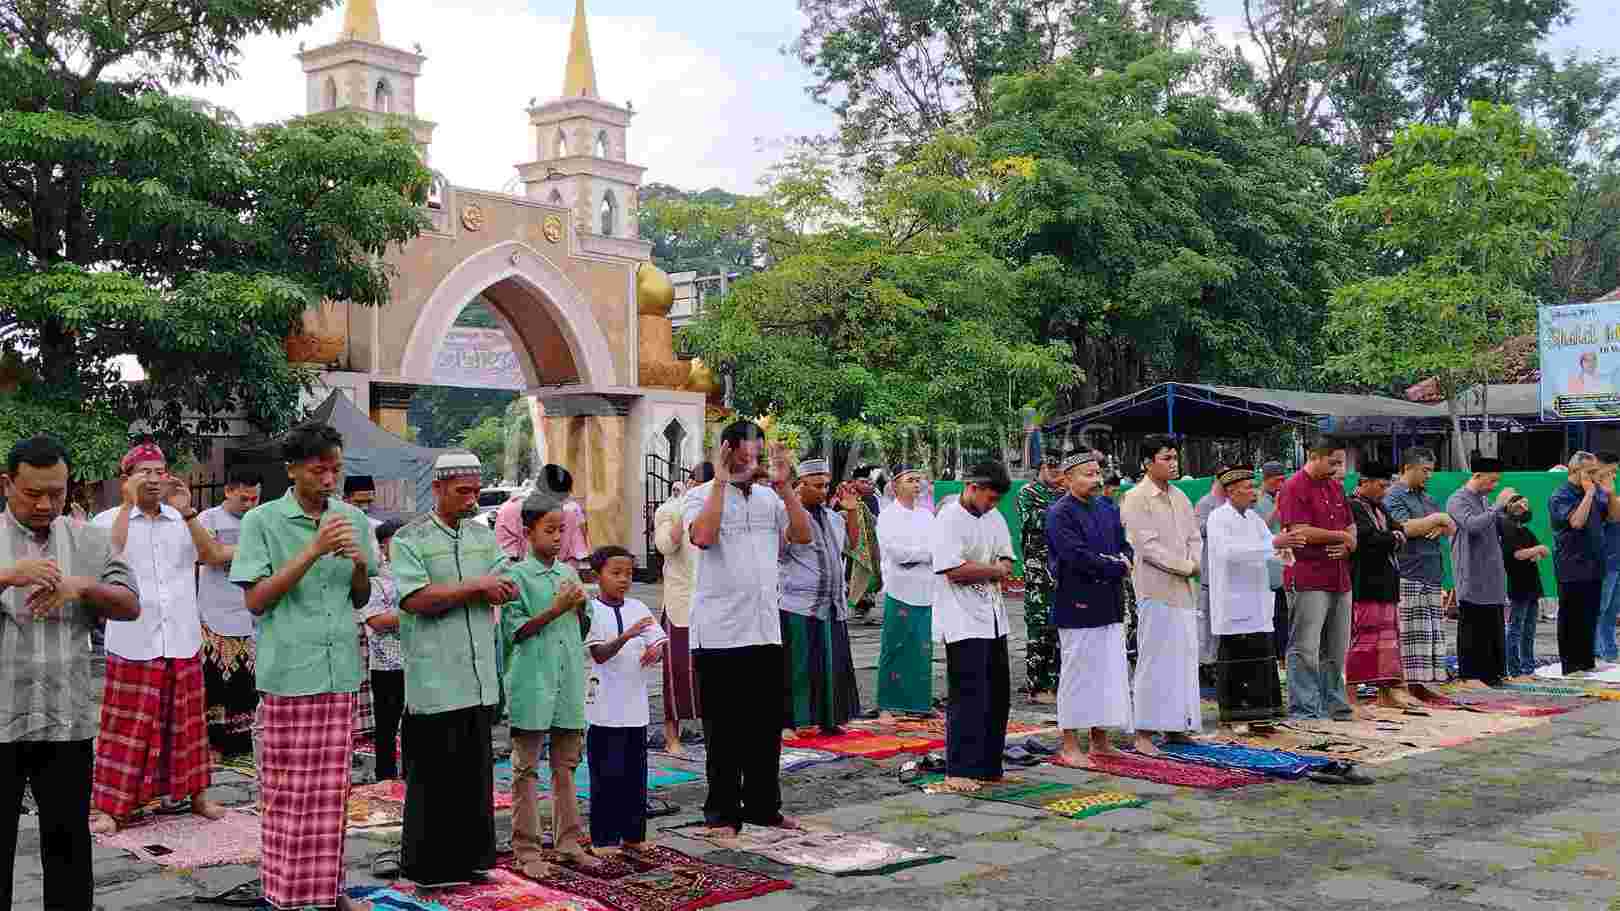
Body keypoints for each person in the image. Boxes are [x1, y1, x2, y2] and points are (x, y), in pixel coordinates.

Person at [231, 422, 378, 911]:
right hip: (290, 672)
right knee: (287, 795)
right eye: (319, 470)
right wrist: (313, 550)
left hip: (341, 671)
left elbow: (360, 598)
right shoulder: (262, 522)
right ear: (292, 470)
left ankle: (331, 891)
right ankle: (286, 895)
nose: (329, 479)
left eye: (336, 469)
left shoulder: (352, 519)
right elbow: (256, 600)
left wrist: (359, 565)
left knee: (333, 796)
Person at [0, 435, 139, 911]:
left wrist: (81, 586)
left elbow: (130, 605)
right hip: (1, 717)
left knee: (69, 847)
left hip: (66, 719)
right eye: (32, 493)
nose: (45, 504)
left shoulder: (88, 540)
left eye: (56, 492)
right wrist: (9, 575)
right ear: (6, 484)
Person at [90, 442, 231, 834]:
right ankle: (112, 807)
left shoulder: (181, 519)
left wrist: (188, 512)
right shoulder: (106, 520)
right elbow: (109, 556)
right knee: (127, 729)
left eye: (160, 471)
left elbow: (212, 556)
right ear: (126, 479)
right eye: (144, 472)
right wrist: (127, 504)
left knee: (188, 726)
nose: (154, 479)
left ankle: (197, 795)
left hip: (182, 635)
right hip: (133, 639)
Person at [393, 451, 516, 886]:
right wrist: (478, 586)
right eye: (463, 491)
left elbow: (504, 581)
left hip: (479, 676)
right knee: (434, 779)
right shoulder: (410, 539)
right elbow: (416, 599)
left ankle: (473, 861)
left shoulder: (483, 535)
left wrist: (500, 587)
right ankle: (429, 869)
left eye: (476, 491)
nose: (471, 499)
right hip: (435, 678)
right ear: (438, 488)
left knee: (475, 777)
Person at [684, 421, 811, 836]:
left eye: (758, 452)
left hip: (765, 627)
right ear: (727, 450)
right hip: (719, 632)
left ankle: (763, 807)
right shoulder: (700, 496)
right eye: (746, 452)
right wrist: (721, 481)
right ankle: (722, 813)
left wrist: (786, 487)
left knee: (765, 728)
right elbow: (703, 537)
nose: (753, 460)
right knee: (724, 730)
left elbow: (802, 535)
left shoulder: (768, 498)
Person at [931, 461, 1016, 792]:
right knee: (968, 694)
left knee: (997, 695)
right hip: (962, 618)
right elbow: (954, 570)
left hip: (994, 617)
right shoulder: (949, 518)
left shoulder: (995, 518)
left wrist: (992, 568)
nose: (993, 505)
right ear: (973, 487)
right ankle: (959, 769)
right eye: (990, 498)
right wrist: (993, 570)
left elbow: (1007, 559)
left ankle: (988, 766)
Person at [1045, 452, 1133, 766]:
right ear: (1068, 478)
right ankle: (1070, 745)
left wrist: (1125, 559)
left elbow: (1124, 546)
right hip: (1078, 603)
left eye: (1097, 473)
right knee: (1078, 673)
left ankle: (1100, 740)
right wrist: (1116, 566)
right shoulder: (1059, 513)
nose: (1095, 479)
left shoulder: (1107, 508)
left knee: (1107, 673)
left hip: (1109, 601)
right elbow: (1075, 556)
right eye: (1087, 474)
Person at [1120, 435, 1203, 753]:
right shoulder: (1136, 498)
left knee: (1183, 659)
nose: (1173, 463)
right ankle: (1143, 732)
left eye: (1174, 457)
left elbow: (1194, 537)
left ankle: (1176, 726)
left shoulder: (1180, 497)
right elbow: (1147, 546)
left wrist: (1195, 562)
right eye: (1166, 458)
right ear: (1147, 462)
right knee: (1154, 660)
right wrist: (1186, 566)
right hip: (1155, 589)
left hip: (1185, 590)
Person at [584, 545, 668, 854]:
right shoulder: (591, 610)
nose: (623, 580)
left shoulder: (638, 607)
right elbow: (599, 654)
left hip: (635, 706)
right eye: (616, 573)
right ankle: (604, 838)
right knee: (606, 776)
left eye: (629, 574)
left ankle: (634, 834)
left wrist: (656, 650)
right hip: (604, 707)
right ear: (598, 575)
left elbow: (658, 642)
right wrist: (627, 636)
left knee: (635, 775)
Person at [1206, 465, 1297, 728]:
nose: (1254, 492)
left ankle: (1265, 709)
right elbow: (1229, 553)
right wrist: (1274, 544)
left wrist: (1286, 549)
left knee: (1262, 654)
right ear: (1232, 492)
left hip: (1257, 599)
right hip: (1233, 600)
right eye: (1248, 488)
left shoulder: (1254, 518)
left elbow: (1269, 546)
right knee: (1239, 658)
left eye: (1253, 486)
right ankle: (1238, 712)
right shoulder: (1218, 518)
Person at [778, 459, 862, 735]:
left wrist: (851, 511)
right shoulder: (786, 515)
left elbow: (852, 545)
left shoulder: (833, 517)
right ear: (799, 486)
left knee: (832, 664)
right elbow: (779, 554)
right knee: (800, 666)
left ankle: (829, 719)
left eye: (826, 485)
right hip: (799, 604)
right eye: (817, 486)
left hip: (832, 603)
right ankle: (796, 721)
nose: (823, 491)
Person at [1276, 439, 1357, 721]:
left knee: (1336, 648)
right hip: (1308, 576)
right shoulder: (1293, 487)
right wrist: (1341, 537)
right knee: (1305, 647)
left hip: (1339, 577)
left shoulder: (1335, 487)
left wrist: (1349, 544)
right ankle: (1305, 709)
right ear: (1313, 456)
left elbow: (1351, 527)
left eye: (1340, 463)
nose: (1337, 468)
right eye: (1332, 462)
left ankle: (1335, 704)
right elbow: (1299, 531)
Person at [196, 470, 261, 759]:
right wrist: (248, 550)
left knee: (246, 684)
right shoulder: (208, 519)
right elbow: (207, 554)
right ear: (228, 492)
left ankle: (243, 746)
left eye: (254, 498)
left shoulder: (260, 519)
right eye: (243, 498)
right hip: (214, 614)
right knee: (214, 684)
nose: (249, 504)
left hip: (250, 614)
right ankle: (214, 746)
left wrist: (226, 551)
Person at [1383, 448, 1455, 694]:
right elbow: (1404, 528)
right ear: (1408, 468)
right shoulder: (1393, 496)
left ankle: (1427, 685)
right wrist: (1437, 519)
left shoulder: (1427, 497)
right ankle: (1408, 687)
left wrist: (1440, 523)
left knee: (1431, 635)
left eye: (1431, 471)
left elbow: (1450, 527)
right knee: (1411, 637)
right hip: (1408, 573)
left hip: (1431, 573)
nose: (1429, 476)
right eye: (1425, 470)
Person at [1447, 456, 1520, 686]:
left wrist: (1511, 510)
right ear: (1477, 476)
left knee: (1493, 626)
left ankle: (1493, 673)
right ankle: (1470, 675)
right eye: (1491, 480)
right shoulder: (1457, 500)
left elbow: (1495, 524)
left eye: (1497, 481)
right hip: (1471, 573)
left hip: (1492, 574)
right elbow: (1472, 525)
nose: (1494, 486)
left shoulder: (1485, 500)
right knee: (1473, 627)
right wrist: (1498, 505)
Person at [1346, 462, 1412, 713]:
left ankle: (1385, 693)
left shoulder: (1379, 507)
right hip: (1364, 583)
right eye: (1381, 486)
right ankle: (1350, 696)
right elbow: (1366, 538)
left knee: (1387, 643)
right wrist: (1392, 538)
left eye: (1386, 487)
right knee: (1361, 641)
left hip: (1386, 583)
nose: (1384, 491)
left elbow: (1400, 530)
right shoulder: (1352, 506)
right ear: (1365, 482)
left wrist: (1392, 537)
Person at [655, 464, 712, 755]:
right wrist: (682, 509)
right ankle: (672, 737)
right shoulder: (668, 510)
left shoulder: (716, 511)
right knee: (677, 671)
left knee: (711, 673)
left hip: (712, 605)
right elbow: (665, 545)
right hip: (680, 603)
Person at [874, 466, 937, 719]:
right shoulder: (888, 516)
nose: (916, 485)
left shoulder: (927, 516)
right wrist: (925, 554)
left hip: (926, 588)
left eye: (918, 480)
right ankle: (888, 704)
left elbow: (937, 548)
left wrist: (921, 555)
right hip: (900, 588)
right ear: (895, 485)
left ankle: (918, 704)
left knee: (921, 649)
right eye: (910, 480)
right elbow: (897, 554)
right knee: (895, 646)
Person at [1549, 452, 1617, 677]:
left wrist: (1610, 493)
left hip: (1595, 564)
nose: (1595, 476)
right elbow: (1577, 522)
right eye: (1590, 472)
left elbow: (1614, 517)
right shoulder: (1561, 495)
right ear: (1576, 471)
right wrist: (1588, 494)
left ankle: (1586, 663)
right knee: (1572, 617)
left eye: (1595, 471)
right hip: (1571, 565)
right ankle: (1571, 666)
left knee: (1590, 616)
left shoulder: (1597, 492)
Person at [1014, 453, 1065, 703]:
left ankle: (1055, 684)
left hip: (1062, 569)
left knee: (1059, 628)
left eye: (1059, 467)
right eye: (1050, 467)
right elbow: (1033, 521)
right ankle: (1036, 684)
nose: (1055, 471)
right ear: (1041, 468)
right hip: (1038, 572)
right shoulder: (1028, 492)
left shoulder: (1066, 494)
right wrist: (1061, 513)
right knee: (1039, 626)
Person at [362, 519, 407, 781]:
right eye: (397, 541)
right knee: (386, 725)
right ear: (382, 547)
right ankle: (385, 778)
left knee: (415, 722)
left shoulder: (418, 575)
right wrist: (417, 609)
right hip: (386, 665)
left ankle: (414, 776)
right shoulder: (375, 580)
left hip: (417, 661)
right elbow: (376, 621)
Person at [342, 475, 381, 738]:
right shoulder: (341, 526)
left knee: (368, 674)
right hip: (353, 610)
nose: (365, 507)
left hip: (375, 603)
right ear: (346, 498)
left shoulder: (376, 527)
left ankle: (365, 731)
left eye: (368, 501)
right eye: (359, 501)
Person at [1501, 496, 1548, 680]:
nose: (1525, 507)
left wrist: (1537, 552)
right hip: (1518, 587)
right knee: (1515, 629)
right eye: (1522, 504)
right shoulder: (1508, 530)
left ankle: (1528, 668)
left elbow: (1543, 551)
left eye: (1527, 504)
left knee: (1529, 631)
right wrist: (1536, 550)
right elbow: (1518, 554)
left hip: (1532, 587)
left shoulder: (1526, 531)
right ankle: (1514, 670)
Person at [1193, 475, 1228, 678]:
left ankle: (1220, 661)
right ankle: (1207, 662)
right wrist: (1221, 520)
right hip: (1210, 573)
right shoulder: (1205, 503)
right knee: (1208, 621)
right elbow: (1198, 530)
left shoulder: (1230, 502)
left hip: (1227, 573)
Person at [1255, 461, 1289, 665]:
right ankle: (1275, 658)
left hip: (1285, 565)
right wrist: (1276, 508)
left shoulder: (1285, 498)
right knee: (1272, 615)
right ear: (1266, 480)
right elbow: (1259, 530)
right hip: (1268, 569)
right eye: (1277, 480)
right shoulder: (1256, 501)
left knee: (1285, 615)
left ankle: (1284, 657)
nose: (1281, 484)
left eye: (1283, 480)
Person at [842, 465, 883, 623]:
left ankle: (865, 609)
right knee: (851, 573)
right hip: (850, 546)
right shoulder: (844, 496)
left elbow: (875, 520)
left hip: (868, 543)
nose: (867, 485)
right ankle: (853, 606)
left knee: (869, 575)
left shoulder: (872, 499)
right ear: (854, 482)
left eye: (869, 482)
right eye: (863, 482)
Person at [540, 464, 591, 575]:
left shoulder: (564, 510)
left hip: (564, 556)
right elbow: (583, 527)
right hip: (571, 554)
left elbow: (564, 539)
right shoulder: (572, 506)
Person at [1595, 452, 1620, 666]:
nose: (1614, 476)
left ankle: (1610, 652)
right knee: (1599, 608)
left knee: (1611, 610)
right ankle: (1595, 653)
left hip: (1616, 559)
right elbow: (1613, 517)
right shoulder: (1595, 495)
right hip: (1604, 560)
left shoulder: (1609, 495)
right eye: (1612, 471)